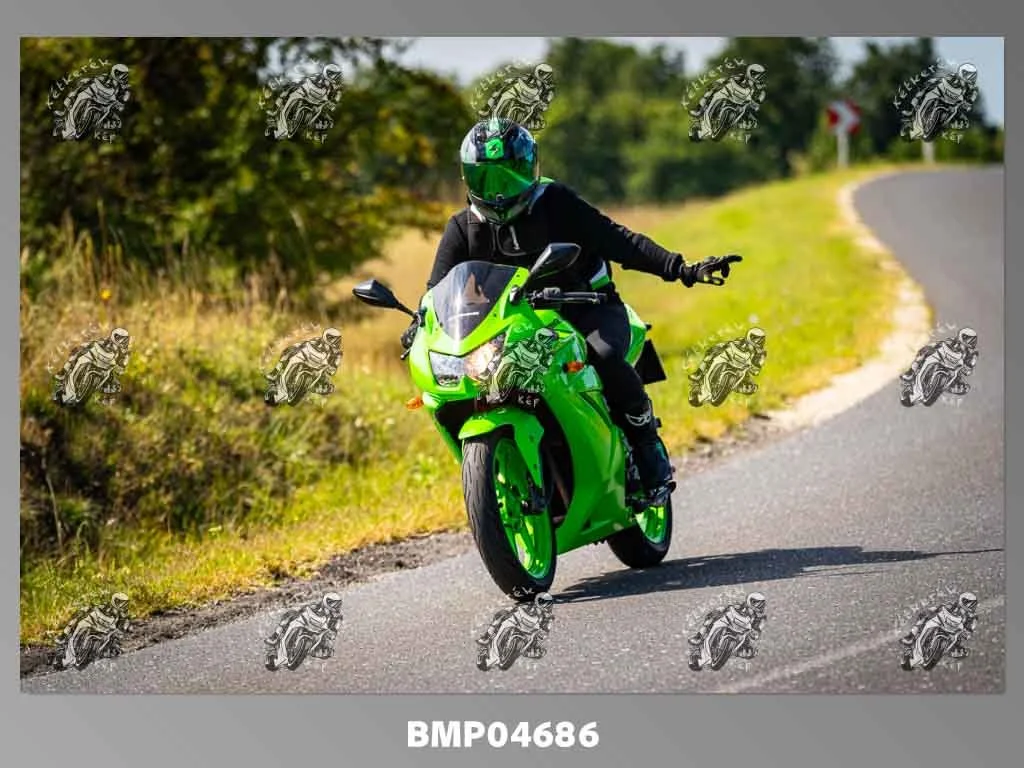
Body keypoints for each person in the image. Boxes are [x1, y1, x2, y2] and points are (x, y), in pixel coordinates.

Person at [401, 117, 741, 495]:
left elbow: (620, 241)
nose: (499, 192)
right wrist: (419, 324)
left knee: (604, 355)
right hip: (519, 324)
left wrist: (683, 269)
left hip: (586, 308)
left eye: (510, 176)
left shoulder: (556, 203)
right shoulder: (463, 227)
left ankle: (646, 444)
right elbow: (437, 289)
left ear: (531, 168)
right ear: (468, 178)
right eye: (487, 178)